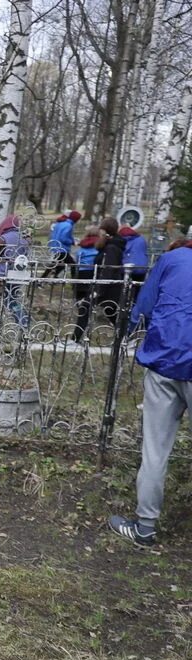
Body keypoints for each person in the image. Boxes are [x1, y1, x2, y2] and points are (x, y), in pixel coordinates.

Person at [108, 239, 192, 547]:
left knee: (155, 449)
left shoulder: (172, 259)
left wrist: (128, 331)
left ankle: (145, 527)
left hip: (165, 360)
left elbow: (145, 303)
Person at [0, 214, 29, 327]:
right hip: (16, 275)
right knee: (13, 302)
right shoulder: (24, 240)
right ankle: (24, 325)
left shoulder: (2, 239)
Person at [95, 217, 130, 329]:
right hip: (107, 284)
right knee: (111, 312)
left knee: (111, 312)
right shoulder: (110, 244)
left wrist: (99, 290)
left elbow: (109, 268)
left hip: (109, 286)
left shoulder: (111, 247)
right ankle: (125, 334)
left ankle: (126, 334)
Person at [72, 225, 102, 344]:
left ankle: (78, 334)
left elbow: (77, 263)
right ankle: (80, 335)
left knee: (82, 309)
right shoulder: (99, 248)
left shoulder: (82, 248)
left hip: (81, 276)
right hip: (92, 276)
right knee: (88, 308)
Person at [43, 210, 81, 278]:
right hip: (62, 248)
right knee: (72, 264)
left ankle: (50, 277)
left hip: (56, 246)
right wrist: (72, 242)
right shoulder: (68, 226)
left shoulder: (61, 223)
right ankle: (74, 283)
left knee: (56, 264)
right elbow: (64, 238)